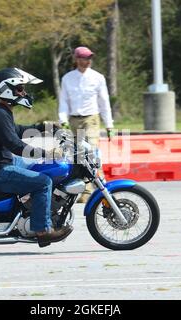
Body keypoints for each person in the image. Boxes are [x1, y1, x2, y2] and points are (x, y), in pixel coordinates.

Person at [0, 67, 72, 247]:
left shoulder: (0, 110)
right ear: (7, 89)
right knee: (44, 182)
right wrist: (46, 153)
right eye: (20, 89)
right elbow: (15, 145)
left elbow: (16, 131)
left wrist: (44, 127)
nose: (23, 92)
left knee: (38, 165)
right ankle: (43, 230)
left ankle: (30, 208)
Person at [58, 46, 114, 203]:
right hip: (74, 120)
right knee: (77, 155)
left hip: (91, 119)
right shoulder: (67, 78)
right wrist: (63, 120)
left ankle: (102, 191)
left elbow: (104, 102)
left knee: (91, 152)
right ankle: (83, 191)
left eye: (89, 58)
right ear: (77, 59)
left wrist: (109, 125)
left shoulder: (98, 77)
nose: (88, 61)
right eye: (84, 58)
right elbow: (64, 101)